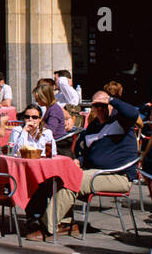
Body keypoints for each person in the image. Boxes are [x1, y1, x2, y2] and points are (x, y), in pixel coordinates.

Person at [31, 90, 141, 241]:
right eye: (97, 106)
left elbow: (133, 113)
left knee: (73, 180)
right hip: (95, 172)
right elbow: (88, 153)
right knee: (58, 177)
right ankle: (64, 223)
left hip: (118, 176)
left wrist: (111, 100)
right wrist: (80, 161)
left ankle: (46, 228)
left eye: (104, 105)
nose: (101, 109)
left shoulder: (121, 120)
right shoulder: (94, 126)